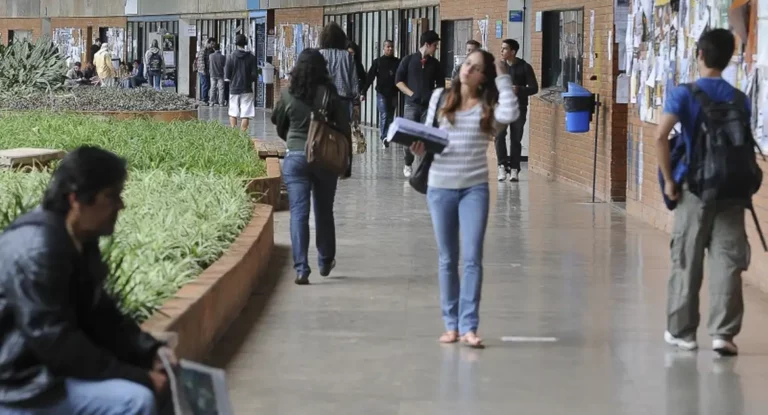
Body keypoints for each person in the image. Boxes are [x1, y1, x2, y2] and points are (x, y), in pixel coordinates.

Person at [0, 146, 177, 414]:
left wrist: (150, 352)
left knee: (168, 380)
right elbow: (53, 339)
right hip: (21, 385)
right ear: (76, 199)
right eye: (112, 196)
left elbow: (101, 313)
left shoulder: (79, 238)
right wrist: (137, 376)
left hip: (47, 370)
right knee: (135, 400)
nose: (121, 205)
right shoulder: (37, 248)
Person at [656, 29, 757, 357]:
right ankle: (723, 335)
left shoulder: (684, 94)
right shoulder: (739, 98)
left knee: (687, 257)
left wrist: (670, 180)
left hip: (695, 189)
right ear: (729, 59)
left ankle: (682, 331)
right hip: (732, 190)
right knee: (728, 261)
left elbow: (660, 137)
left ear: (699, 54)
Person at [410, 50, 518, 348]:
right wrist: (419, 149)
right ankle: (451, 325)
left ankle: (469, 326)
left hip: (474, 189)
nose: (467, 69)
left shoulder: (488, 106)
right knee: (447, 258)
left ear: (484, 77)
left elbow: (511, 114)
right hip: (440, 186)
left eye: (476, 67)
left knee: (472, 258)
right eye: (467, 63)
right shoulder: (440, 98)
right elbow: (428, 135)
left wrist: (504, 75)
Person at [271, 49, 352, 286]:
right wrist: (347, 162)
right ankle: (325, 260)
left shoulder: (288, 94)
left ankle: (301, 269)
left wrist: (292, 139)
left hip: (295, 158)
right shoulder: (330, 94)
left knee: (298, 212)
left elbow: (277, 121)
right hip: (325, 159)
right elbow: (344, 128)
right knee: (324, 210)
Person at [395, 30, 444, 178]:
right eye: (435, 45)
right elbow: (398, 81)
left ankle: (422, 169)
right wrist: (412, 94)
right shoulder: (408, 60)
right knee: (409, 137)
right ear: (427, 44)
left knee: (425, 137)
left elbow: (441, 85)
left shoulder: (435, 64)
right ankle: (408, 163)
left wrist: (434, 95)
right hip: (411, 105)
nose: (436, 48)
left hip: (428, 107)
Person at [494, 39, 538, 182]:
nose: (502, 51)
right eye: (501, 48)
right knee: (499, 136)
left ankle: (514, 169)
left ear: (513, 51)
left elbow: (534, 88)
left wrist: (519, 89)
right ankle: (501, 165)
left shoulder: (525, 67)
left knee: (515, 138)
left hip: (519, 107)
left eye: (505, 49)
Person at [363, 40, 401, 148]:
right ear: (384, 48)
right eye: (388, 47)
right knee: (384, 113)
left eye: (392, 47)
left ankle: (387, 135)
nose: (390, 49)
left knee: (390, 115)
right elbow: (370, 77)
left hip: (393, 93)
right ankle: (384, 136)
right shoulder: (378, 62)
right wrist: (363, 91)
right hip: (381, 93)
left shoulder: (398, 62)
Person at [318, 22, 358, 119]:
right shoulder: (347, 56)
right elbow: (354, 81)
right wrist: (356, 103)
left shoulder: (319, 55)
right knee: (341, 131)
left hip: (323, 99)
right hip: (343, 100)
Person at [224, 34, 258, 132]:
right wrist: (248, 80)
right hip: (247, 88)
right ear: (246, 43)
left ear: (235, 43)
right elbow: (254, 75)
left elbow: (227, 74)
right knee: (246, 113)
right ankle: (243, 135)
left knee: (233, 111)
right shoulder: (251, 57)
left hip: (234, 88)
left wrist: (233, 79)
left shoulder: (230, 57)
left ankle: (234, 133)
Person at [195, 37, 215, 105]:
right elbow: (201, 61)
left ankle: (205, 98)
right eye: (211, 44)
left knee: (207, 85)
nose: (212, 45)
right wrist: (203, 70)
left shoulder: (212, 50)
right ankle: (204, 99)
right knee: (205, 85)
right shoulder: (203, 50)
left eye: (213, 44)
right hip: (203, 70)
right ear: (208, 43)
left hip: (209, 71)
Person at [209, 43, 227, 107]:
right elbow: (224, 66)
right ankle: (221, 103)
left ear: (213, 48)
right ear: (220, 48)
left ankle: (211, 102)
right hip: (220, 74)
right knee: (221, 89)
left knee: (213, 88)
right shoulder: (222, 57)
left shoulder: (210, 56)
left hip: (212, 74)